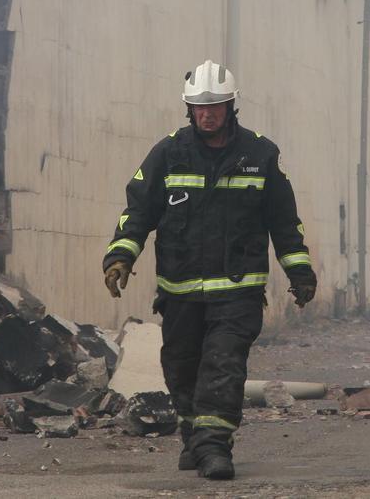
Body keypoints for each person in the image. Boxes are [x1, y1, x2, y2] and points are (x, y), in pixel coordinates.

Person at [101, 60, 318, 480]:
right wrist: (120, 256)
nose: (207, 114)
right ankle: (193, 438)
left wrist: (300, 273)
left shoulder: (260, 155)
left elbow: (284, 222)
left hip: (238, 292)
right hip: (180, 291)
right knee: (181, 368)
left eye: (215, 105)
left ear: (231, 105)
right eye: (199, 107)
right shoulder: (168, 153)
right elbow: (138, 211)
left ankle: (216, 448)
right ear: (188, 109)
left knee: (223, 364)